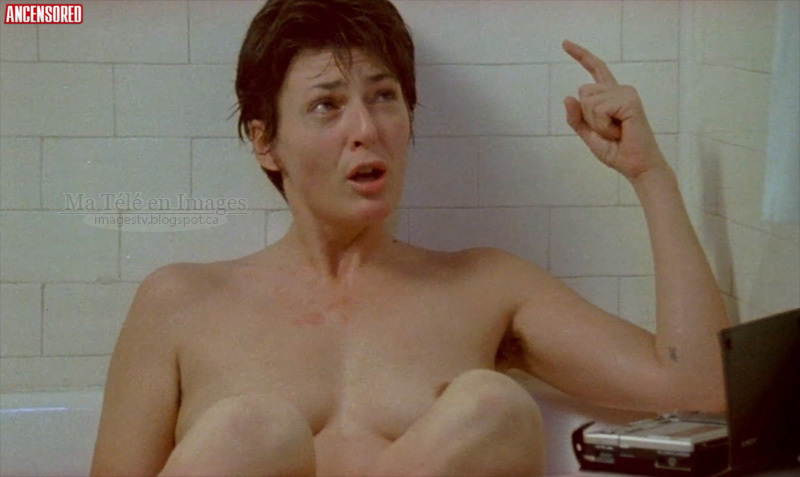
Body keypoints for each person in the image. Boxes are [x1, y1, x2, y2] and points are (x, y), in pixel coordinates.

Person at [90, 0, 730, 475]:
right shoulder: (179, 303)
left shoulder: (484, 289)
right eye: (327, 105)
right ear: (265, 142)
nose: (366, 129)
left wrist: (649, 175)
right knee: (251, 433)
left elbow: (703, 392)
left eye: (384, 97)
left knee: (492, 408)